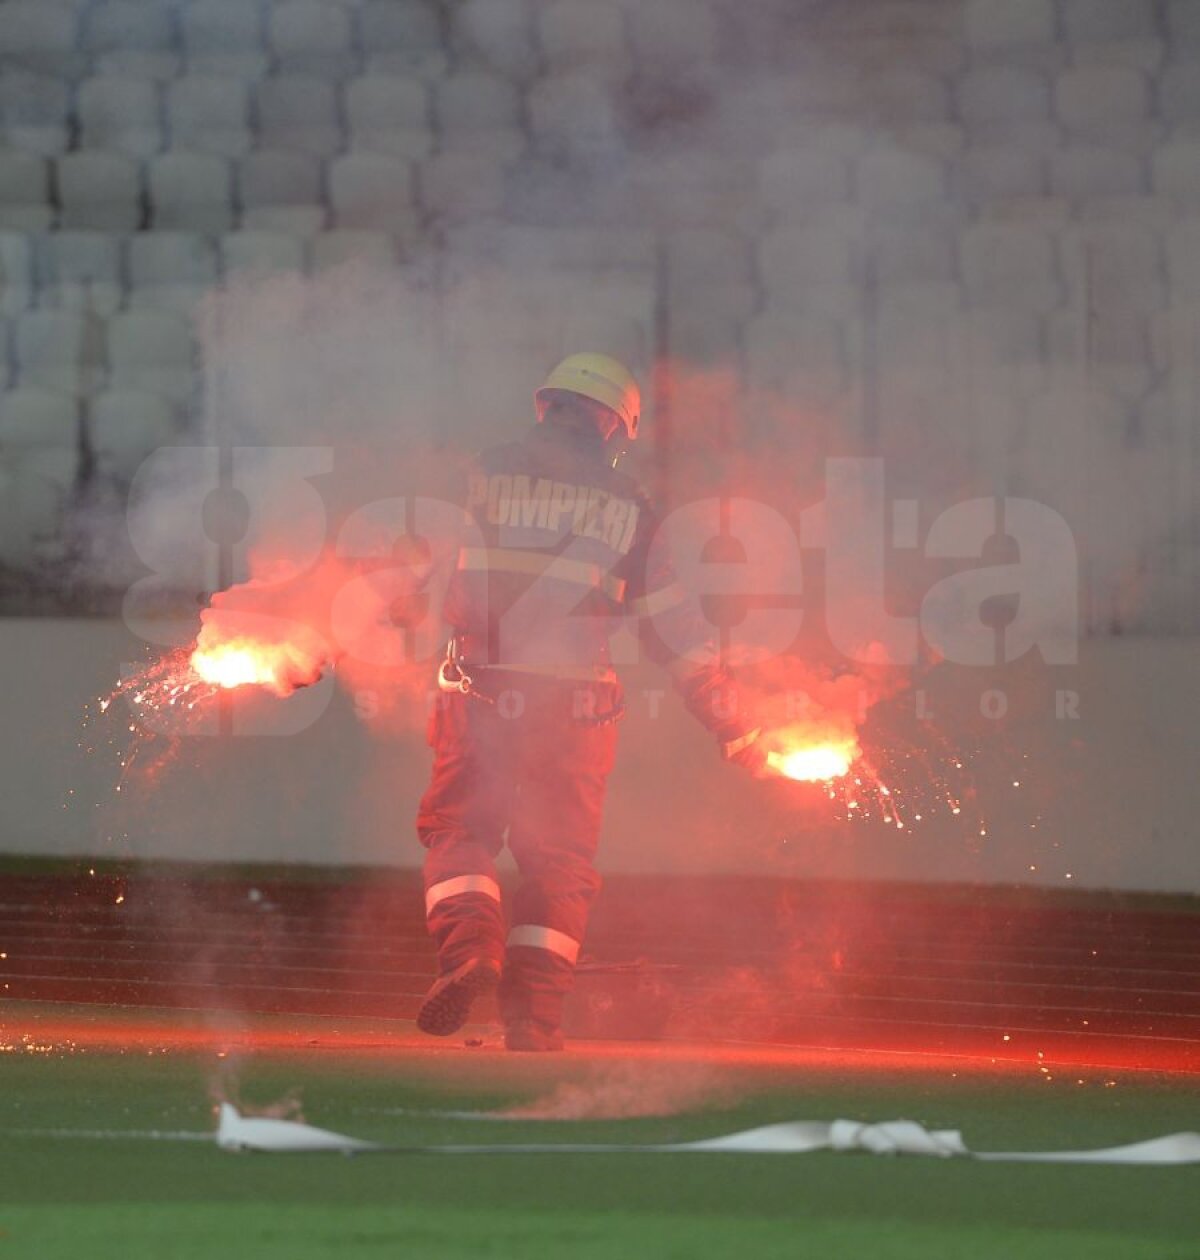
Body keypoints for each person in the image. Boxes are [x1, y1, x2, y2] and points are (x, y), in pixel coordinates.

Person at [415, 353, 765, 1051]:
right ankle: (533, 1020)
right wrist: (730, 720)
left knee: (460, 835)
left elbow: (398, 571)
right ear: (613, 425)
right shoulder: (633, 509)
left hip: (478, 696)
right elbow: (675, 629)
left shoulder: (478, 476)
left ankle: (470, 955)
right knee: (560, 864)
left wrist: (307, 642)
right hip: (576, 713)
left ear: (547, 407)